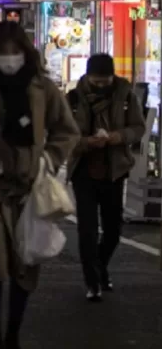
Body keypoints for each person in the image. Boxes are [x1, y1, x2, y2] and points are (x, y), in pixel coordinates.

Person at [0, 21, 79, 349]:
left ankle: (14, 332)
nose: (10, 59)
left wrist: (48, 159)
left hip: (31, 188)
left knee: (27, 262)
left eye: (16, 52)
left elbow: (67, 129)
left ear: (26, 52)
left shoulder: (42, 88)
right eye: (4, 53)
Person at [66, 54, 145, 302]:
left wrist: (116, 137)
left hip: (114, 170)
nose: (101, 85)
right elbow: (63, 135)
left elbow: (138, 127)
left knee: (113, 229)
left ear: (113, 77)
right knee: (87, 230)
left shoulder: (125, 96)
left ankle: (100, 267)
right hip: (83, 171)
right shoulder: (73, 99)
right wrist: (85, 143)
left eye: (105, 81)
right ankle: (92, 281)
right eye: (96, 81)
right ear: (88, 77)